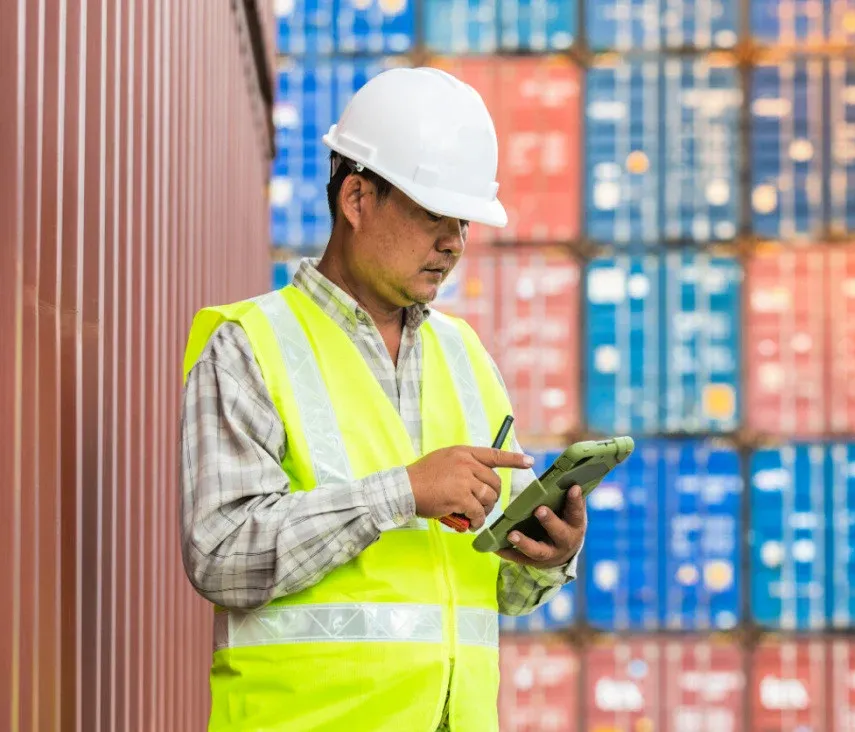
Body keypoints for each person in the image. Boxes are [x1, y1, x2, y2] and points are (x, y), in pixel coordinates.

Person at [177, 66, 585, 732]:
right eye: (433, 214)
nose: (454, 242)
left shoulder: (467, 357)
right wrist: (400, 493)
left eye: (464, 221)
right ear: (358, 199)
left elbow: (489, 594)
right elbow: (221, 555)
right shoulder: (249, 346)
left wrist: (547, 556)